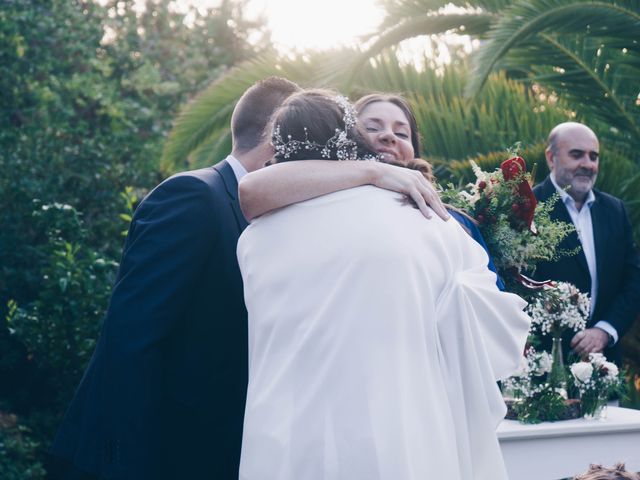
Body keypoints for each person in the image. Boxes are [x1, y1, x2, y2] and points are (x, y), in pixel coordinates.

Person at [236, 89, 530, 479]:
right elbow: (498, 336)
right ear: (353, 141)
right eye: (371, 127)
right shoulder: (431, 225)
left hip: (282, 440)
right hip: (396, 435)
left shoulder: (251, 242)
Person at [47, 77, 302, 480]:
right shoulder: (194, 196)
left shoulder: (267, 217)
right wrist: (128, 463)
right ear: (277, 135)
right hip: (151, 453)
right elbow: (132, 336)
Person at [239, 92, 504, 288]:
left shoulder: (451, 221)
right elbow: (252, 188)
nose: (388, 136)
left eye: (402, 134)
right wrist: (373, 172)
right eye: (372, 128)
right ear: (346, 137)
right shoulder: (316, 202)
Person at [533, 122, 640, 364]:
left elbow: (634, 280)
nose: (588, 164)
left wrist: (605, 331)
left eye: (594, 156)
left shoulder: (615, 210)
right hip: (542, 367)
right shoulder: (527, 207)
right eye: (576, 154)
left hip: (603, 363)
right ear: (551, 158)